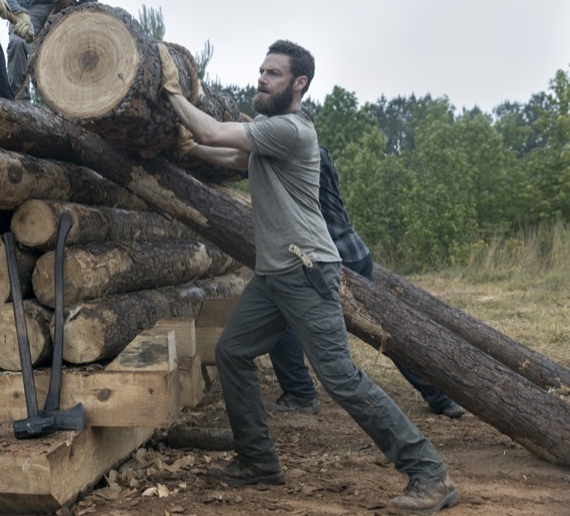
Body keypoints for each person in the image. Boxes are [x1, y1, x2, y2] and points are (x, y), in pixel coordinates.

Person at [160, 40, 460, 514]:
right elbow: (233, 158)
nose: (262, 78)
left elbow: (217, 130)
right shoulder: (269, 137)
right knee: (233, 351)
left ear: (299, 83)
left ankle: (429, 471)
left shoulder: (292, 130)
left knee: (340, 379)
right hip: (274, 275)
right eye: (261, 70)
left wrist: (171, 94)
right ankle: (258, 460)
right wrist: (188, 146)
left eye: (274, 73)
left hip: (306, 269)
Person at [268, 146, 467, 419]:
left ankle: (300, 393)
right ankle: (440, 396)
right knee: (381, 330)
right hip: (355, 251)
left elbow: (246, 161)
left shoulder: (298, 154)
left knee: (277, 313)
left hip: (336, 259)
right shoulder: (317, 151)